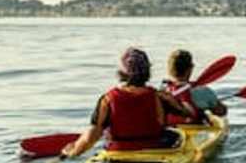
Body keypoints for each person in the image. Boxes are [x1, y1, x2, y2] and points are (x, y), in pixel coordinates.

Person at [62, 47, 195, 157]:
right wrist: (183, 94)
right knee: (177, 135)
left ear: (121, 72)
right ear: (147, 71)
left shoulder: (107, 99)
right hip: (154, 149)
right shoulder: (160, 96)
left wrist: (74, 150)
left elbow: (92, 135)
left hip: (118, 151)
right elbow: (189, 113)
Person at [162, 49, 227, 125]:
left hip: (171, 128)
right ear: (190, 68)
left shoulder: (163, 90)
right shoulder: (202, 91)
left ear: (169, 69)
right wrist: (217, 105)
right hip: (195, 128)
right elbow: (221, 112)